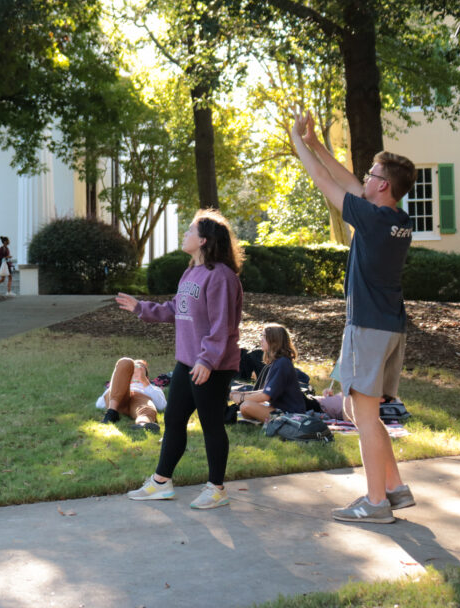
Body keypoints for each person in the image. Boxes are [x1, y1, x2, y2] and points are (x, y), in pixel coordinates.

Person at [289, 109, 417, 524]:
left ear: (382, 184)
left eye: (370, 173)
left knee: (360, 415)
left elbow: (327, 184)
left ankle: (375, 503)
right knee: (364, 411)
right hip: (389, 327)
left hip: (368, 327)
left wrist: (297, 142)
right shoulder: (394, 219)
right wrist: (315, 143)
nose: (364, 176)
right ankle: (395, 488)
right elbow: (347, 184)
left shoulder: (375, 219)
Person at [118, 209, 244, 509]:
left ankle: (217, 489)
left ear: (203, 240)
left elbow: (222, 325)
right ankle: (161, 482)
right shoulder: (191, 273)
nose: (185, 234)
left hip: (211, 366)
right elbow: (175, 308)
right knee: (174, 419)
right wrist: (140, 308)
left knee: (212, 424)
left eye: (190, 230)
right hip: (188, 361)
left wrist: (207, 361)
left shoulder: (222, 277)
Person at [229, 324, 306, 423]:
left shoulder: (282, 363)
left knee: (246, 405)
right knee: (245, 407)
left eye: (264, 337)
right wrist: (242, 394)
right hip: (278, 409)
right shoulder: (278, 362)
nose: (261, 340)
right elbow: (265, 391)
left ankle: (271, 422)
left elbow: (265, 396)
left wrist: (242, 398)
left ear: (274, 341)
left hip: (290, 414)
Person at [96, 358, 166, 432]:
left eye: (141, 367)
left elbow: (161, 406)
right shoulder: (116, 386)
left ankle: (143, 423)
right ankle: (111, 413)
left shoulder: (152, 388)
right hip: (120, 399)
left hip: (140, 399)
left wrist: (145, 382)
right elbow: (99, 404)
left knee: (146, 408)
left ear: (147, 377)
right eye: (133, 367)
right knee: (125, 362)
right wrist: (118, 383)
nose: (136, 369)